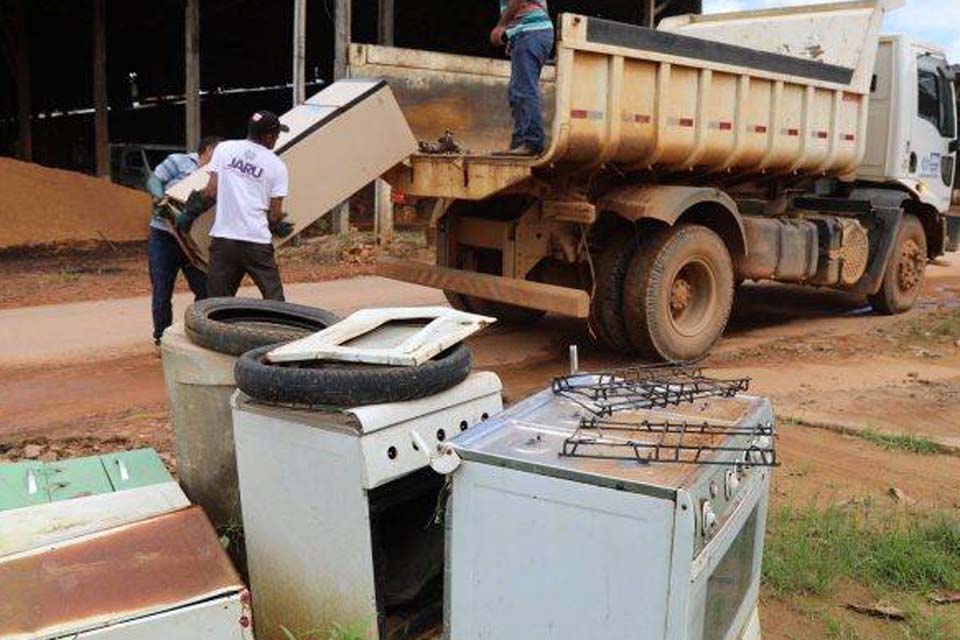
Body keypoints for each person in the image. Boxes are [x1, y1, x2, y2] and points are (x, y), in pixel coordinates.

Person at [177, 111, 294, 301]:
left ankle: (214, 330)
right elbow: (274, 214)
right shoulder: (277, 166)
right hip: (256, 242)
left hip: (225, 242)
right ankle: (277, 329)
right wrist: (276, 225)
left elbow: (210, 191)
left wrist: (190, 212)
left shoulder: (224, 149)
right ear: (268, 137)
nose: (277, 140)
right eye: (277, 135)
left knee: (216, 303)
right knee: (275, 300)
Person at [145, 136, 221, 345]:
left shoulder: (218, 174)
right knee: (162, 291)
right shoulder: (178, 161)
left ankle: (200, 334)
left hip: (192, 242)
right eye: (218, 153)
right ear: (207, 150)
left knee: (204, 290)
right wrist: (159, 198)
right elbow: (154, 180)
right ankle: (162, 339)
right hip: (164, 236)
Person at [490, 0, 554, 156]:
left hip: (531, 32)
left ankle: (533, 142)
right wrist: (514, 35)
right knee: (517, 91)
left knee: (524, 89)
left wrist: (501, 26)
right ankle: (520, 143)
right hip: (529, 33)